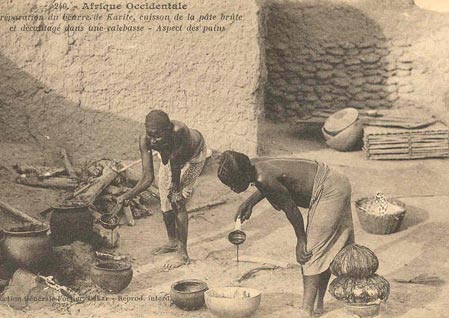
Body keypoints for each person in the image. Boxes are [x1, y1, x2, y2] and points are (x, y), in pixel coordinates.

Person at [217, 151, 354, 317]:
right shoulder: (252, 165)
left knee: (310, 251)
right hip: (333, 178)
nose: (233, 189)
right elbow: (271, 182)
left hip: (330, 189)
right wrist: (250, 202)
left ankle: (305, 310)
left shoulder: (262, 178)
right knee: (324, 249)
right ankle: (318, 305)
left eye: (234, 184)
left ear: (243, 175)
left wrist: (301, 240)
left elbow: (291, 209)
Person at [117, 110, 209, 269]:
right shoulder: (145, 139)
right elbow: (147, 177)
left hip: (193, 157)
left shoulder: (179, 131)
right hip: (171, 158)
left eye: (157, 136)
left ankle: (183, 254)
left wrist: (176, 190)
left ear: (168, 130)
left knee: (177, 201)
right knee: (165, 202)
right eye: (150, 135)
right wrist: (128, 195)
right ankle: (173, 242)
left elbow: (176, 167)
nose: (152, 141)